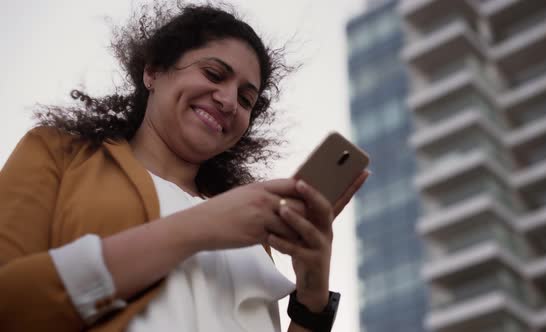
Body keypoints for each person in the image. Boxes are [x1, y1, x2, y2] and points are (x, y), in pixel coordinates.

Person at [0, 3, 368, 332]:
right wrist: (202, 227)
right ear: (153, 71)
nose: (228, 102)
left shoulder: (253, 234)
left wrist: (312, 300)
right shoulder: (59, 153)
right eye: (213, 74)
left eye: (246, 99)